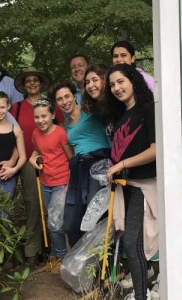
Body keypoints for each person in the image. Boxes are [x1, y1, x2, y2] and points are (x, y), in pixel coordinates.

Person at [104, 64, 157, 300]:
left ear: (134, 80)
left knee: (133, 242)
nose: (117, 87)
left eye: (121, 81)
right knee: (129, 240)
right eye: (112, 84)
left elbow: (156, 150)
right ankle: (139, 293)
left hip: (146, 186)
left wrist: (121, 163)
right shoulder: (124, 115)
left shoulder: (148, 110)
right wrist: (114, 167)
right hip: (127, 185)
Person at [50, 80, 110, 246]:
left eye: (67, 96)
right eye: (60, 99)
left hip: (99, 164)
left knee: (94, 215)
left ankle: (102, 261)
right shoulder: (66, 126)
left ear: (74, 96)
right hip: (78, 169)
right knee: (70, 223)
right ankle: (82, 261)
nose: (65, 101)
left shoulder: (91, 113)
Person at [10, 66, 60, 265]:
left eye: (35, 80)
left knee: (56, 204)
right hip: (29, 160)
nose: (31, 83)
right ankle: (33, 250)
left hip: (54, 158)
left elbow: (61, 130)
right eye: (28, 80)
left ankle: (57, 249)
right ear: (23, 85)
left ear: (40, 82)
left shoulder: (50, 104)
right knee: (32, 202)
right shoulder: (17, 108)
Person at [29, 99, 73, 259]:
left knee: (54, 223)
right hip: (45, 182)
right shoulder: (35, 133)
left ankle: (61, 256)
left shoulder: (60, 132)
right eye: (36, 117)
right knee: (52, 220)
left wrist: (70, 183)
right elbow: (36, 151)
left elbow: (71, 157)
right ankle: (55, 252)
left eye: (44, 116)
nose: (40, 120)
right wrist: (32, 158)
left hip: (61, 183)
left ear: (53, 114)